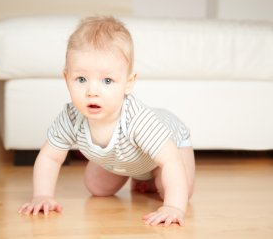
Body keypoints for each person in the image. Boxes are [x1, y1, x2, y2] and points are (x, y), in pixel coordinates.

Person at [18, 16, 195, 227]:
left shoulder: (139, 120)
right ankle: (139, 173)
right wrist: (42, 195)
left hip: (171, 143)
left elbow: (171, 161)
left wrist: (174, 207)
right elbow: (50, 157)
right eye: (81, 79)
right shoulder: (71, 117)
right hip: (128, 155)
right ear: (67, 79)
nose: (92, 92)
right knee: (96, 187)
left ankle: (150, 175)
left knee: (175, 190)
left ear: (128, 83)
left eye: (107, 81)